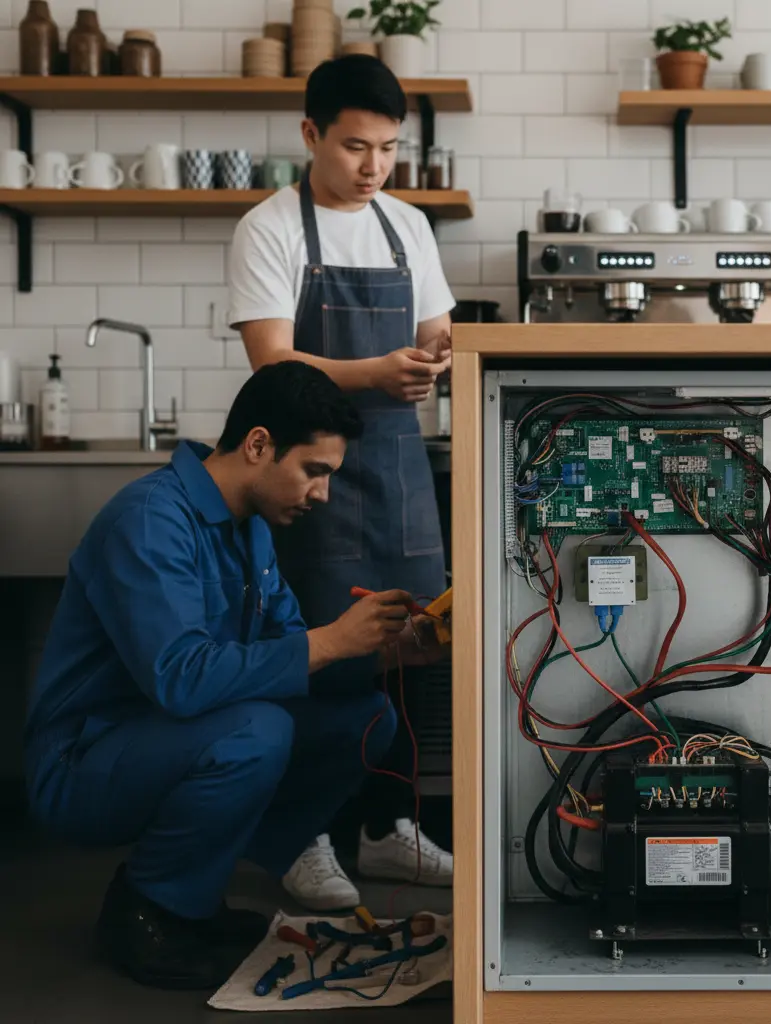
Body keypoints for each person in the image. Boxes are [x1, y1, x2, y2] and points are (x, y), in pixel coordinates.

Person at [22, 361, 434, 991]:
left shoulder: (253, 534)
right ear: (259, 445)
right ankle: (147, 911)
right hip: (84, 761)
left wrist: (387, 652)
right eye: (314, 471)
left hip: (169, 738)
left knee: (367, 717)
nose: (322, 492)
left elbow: (293, 657)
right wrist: (329, 640)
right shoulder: (151, 519)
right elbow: (181, 679)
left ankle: (196, 892)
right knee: (256, 731)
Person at [228, 53, 455, 910]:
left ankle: (390, 831)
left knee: (411, 648)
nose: (374, 168)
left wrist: (434, 357)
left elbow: (437, 329)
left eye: (389, 149)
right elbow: (271, 360)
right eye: (357, 146)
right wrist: (377, 372)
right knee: (318, 655)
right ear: (310, 135)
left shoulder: (407, 226)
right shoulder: (271, 227)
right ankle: (302, 838)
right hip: (305, 475)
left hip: (396, 466)